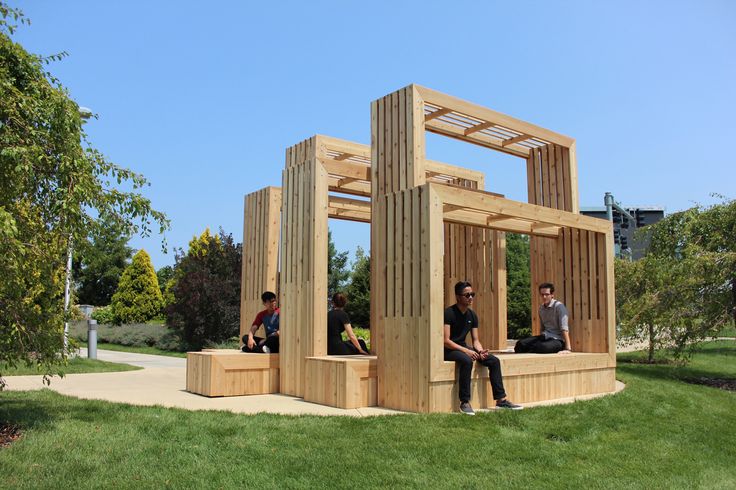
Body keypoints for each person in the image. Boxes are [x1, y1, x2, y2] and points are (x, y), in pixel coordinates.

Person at [444, 281, 521, 415]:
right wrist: (467, 351)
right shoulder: (449, 313)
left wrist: (480, 351)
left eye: (472, 294)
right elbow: (446, 341)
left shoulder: (472, 315)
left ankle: (501, 400)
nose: (470, 298)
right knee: (467, 360)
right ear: (458, 297)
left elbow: (476, 340)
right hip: (449, 350)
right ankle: (464, 402)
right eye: (467, 295)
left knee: (493, 361)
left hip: (463, 348)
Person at [514, 282, 572, 355]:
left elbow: (564, 328)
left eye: (547, 294)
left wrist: (568, 348)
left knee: (542, 347)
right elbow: (542, 328)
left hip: (558, 340)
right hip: (545, 337)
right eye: (542, 295)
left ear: (552, 295)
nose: (544, 297)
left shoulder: (559, 307)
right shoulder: (541, 309)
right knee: (520, 344)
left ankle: (533, 350)